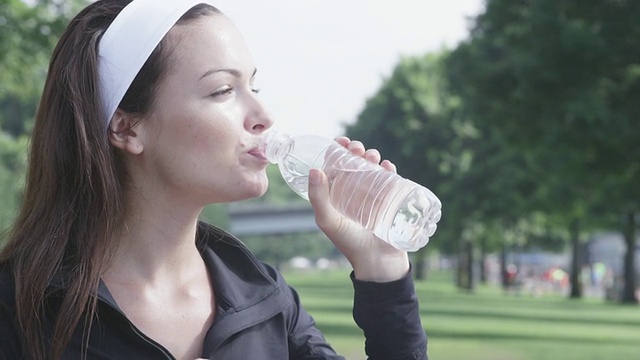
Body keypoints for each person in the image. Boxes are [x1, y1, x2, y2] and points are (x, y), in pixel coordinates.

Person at [0, 0, 428, 359]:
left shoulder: (263, 300)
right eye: (223, 91)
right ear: (127, 129)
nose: (263, 117)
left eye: (253, 88)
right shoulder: (19, 306)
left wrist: (382, 271)